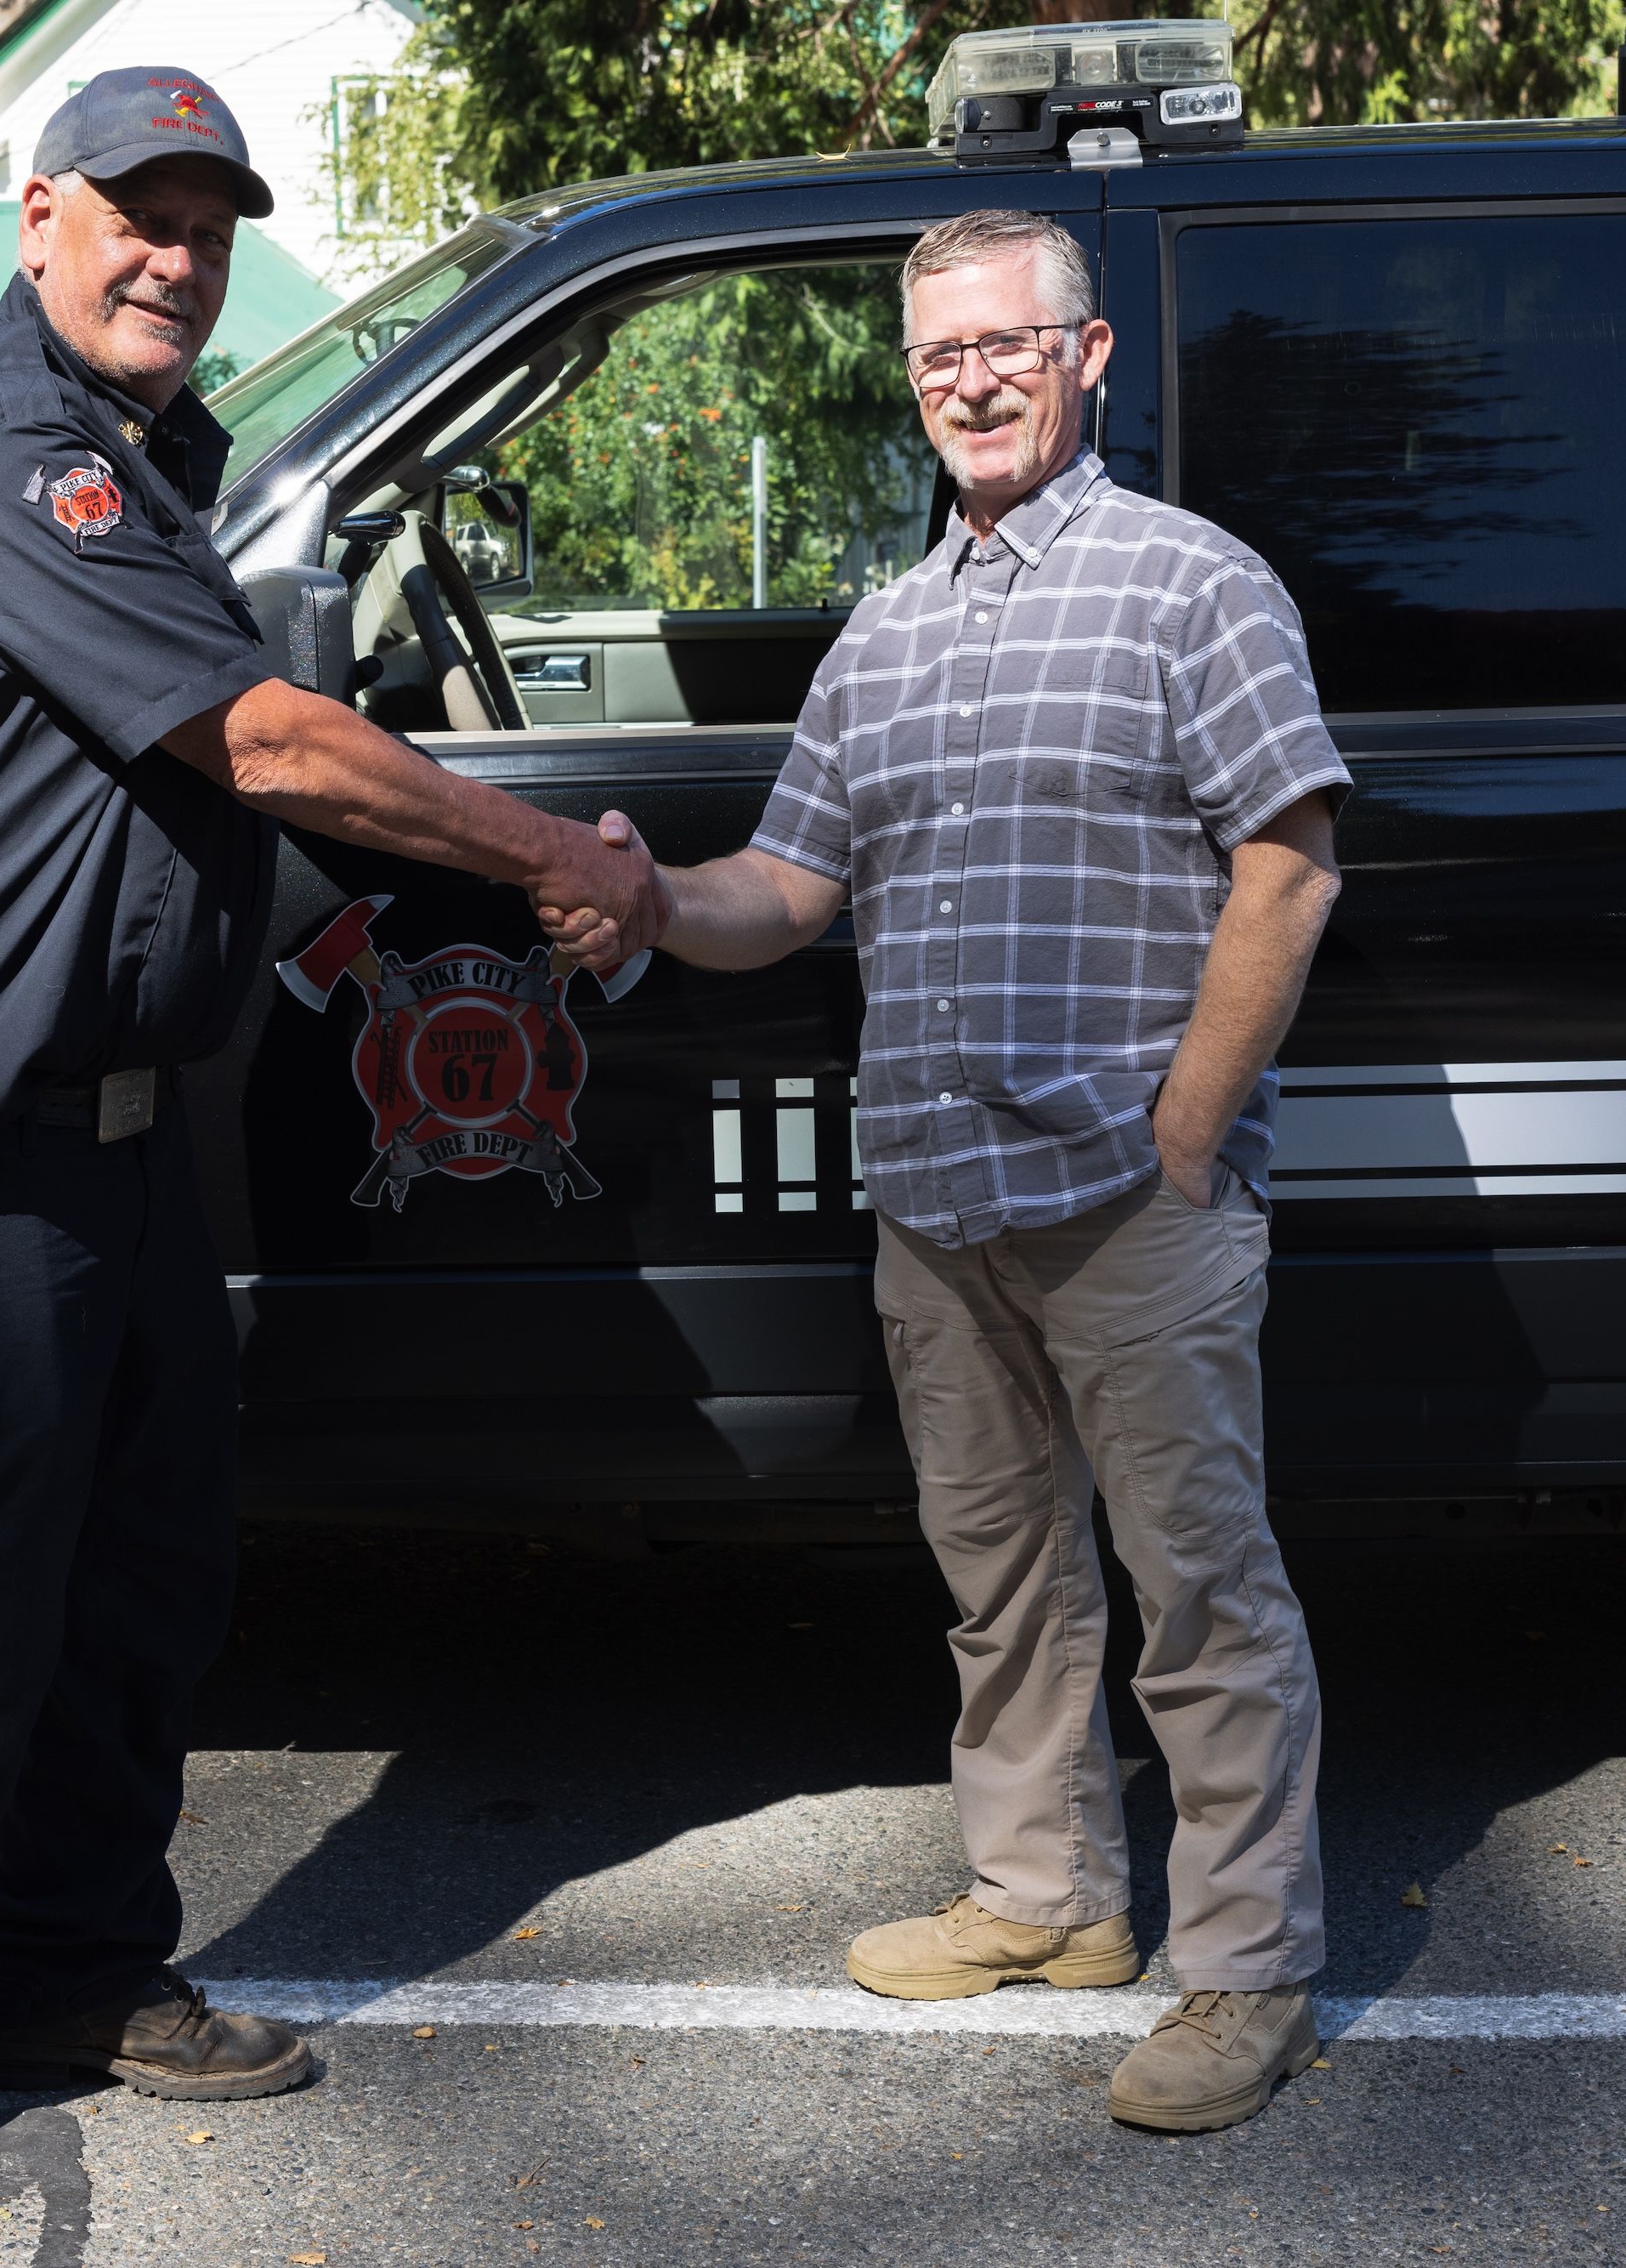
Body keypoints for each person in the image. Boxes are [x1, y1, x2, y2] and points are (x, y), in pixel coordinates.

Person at [0, 67, 663, 2240]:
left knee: (133, 1592)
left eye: (210, 223)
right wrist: (542, 864)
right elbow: (252, 736)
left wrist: (352, 924)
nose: (177, 255)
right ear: (36, 217)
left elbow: (153, 807)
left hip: (118, 1143)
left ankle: (60, 1976)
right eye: (138, 212)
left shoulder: (143, 455)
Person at [617, 207, 1349, 2134]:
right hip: (932, 1202)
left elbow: (1287, 857)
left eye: (1003, 344)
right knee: (1003, 1584)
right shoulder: (887, 627)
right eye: (938, 355)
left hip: (1129, 1198)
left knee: (1199, 1594)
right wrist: (634, 895)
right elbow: (781, 891)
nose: (969, 380)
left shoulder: (1191, 586)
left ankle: (1246, 1965)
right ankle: (1045, 1901)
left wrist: (1189, 1124)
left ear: (1085, 355)